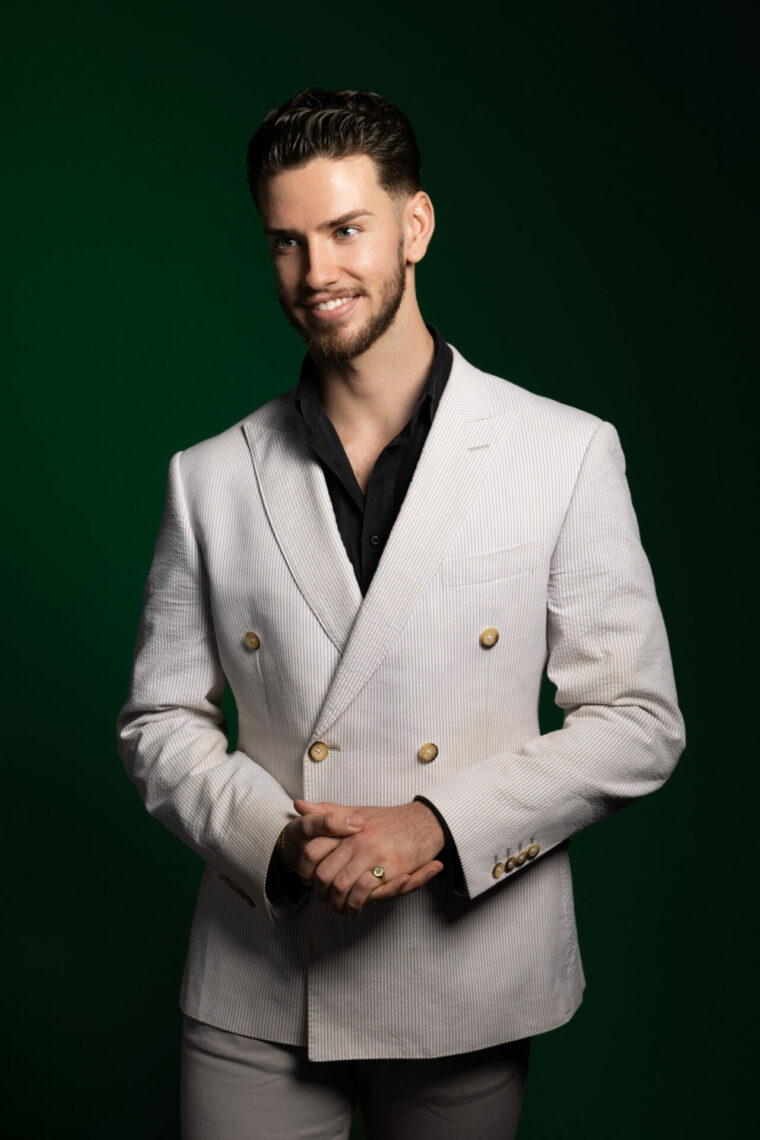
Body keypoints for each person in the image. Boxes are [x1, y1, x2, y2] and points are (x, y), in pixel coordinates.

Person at [116, 87, 685, 1140]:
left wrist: (434, 824)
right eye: (287, 242)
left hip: (468, 973)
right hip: (259, 979)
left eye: (346, 231)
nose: (315, 274)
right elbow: (158, 721)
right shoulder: (209, 478)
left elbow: (639, 723)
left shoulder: (562, 453)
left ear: (414, 226)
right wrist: (276, 840)